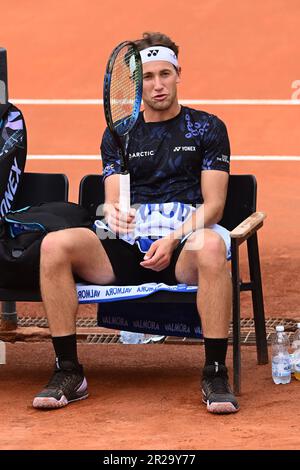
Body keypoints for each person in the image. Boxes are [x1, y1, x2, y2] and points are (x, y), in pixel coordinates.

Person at [33, 31, 239, 414]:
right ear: (135, 81)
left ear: (179, 74)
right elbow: (113, 198)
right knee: (53, 245)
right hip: (128, 242)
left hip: (184, 241)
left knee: (211, 245)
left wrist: (174, 238)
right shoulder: (119, 134)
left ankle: (214, 371)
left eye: (165, 74)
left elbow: (214, 206)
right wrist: (112, 212)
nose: (158, 85)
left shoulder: (208, 128)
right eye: (147, 76)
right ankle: (69, 370)